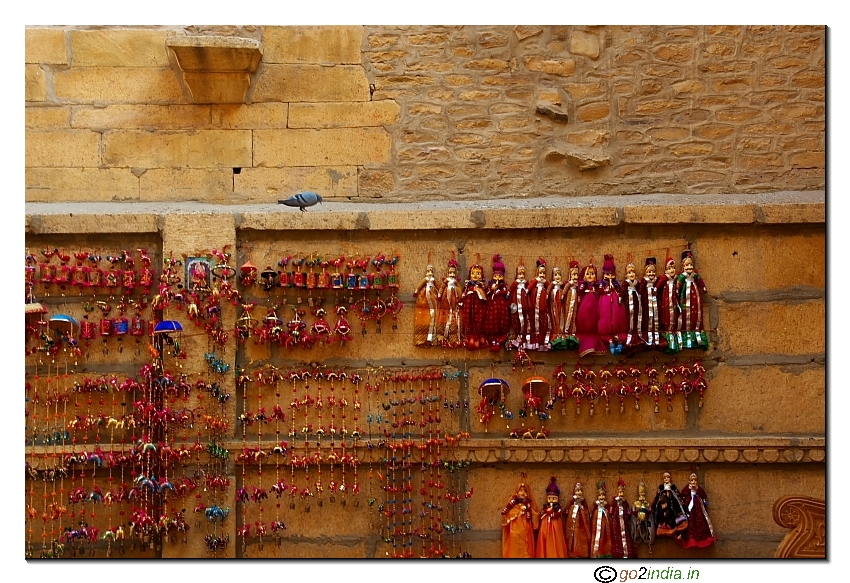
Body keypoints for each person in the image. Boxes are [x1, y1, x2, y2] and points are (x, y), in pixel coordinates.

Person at [675, 251, 709, 350]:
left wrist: (703, 287)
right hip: (685, 296)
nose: (689, 267)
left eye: (691, 265)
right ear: (683, 266)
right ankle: (686, 336)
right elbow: (678, 284)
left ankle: (697, 335)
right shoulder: (682, 276)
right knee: (685, 314)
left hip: (695, 294)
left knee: (697, 313)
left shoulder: (694, 275)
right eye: (687, 265)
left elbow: (700, 280)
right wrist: (677, 291)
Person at [501, 477, 540, 558]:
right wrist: (514, 513)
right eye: (521, 491)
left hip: (526, 528)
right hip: (515, 529)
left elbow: (534, 513)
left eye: (525, 491)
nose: (522, 493)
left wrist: (530, 515)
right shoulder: (514, 502)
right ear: (517, 492)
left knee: (525, 546)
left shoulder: (528, 504)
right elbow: (507, 511)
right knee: (514, 546)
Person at [597, 254, 627, 355]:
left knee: (617, 315)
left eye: (611, 274)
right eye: (608, 274)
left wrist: (616, 291)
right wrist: (606, 289)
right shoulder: (602, 283)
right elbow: (600, 290)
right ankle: (608, 338)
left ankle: (618, 339)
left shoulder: (615, 283)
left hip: (615, 301)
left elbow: (619, 290)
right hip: (605, 300)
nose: (610, 276)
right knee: (605, 315)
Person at [575, 264, 606, 357]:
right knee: (584, 319)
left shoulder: (596, 285)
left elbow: (601, 291)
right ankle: (585, 344)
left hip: (594, 304)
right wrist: (579, 300)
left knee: (593, 321)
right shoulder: (583, 285)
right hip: (585, 304)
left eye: (592, 274)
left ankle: (593, 344)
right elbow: (579, 294)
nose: (590, 276)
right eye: (587, 273)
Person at [678, 473, 717, 548]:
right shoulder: (687, 488)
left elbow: (704, 495)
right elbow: (683, 493)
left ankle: (700, 538)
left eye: (695, 480)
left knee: (699, 520)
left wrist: (697, 489)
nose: (693, 482)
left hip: (698, 507)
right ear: (689, 481)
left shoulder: (698, 488)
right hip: (689, 507)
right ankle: (689, 538)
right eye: (691, 480)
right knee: (689, 521)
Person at [484, 255, 511, 352]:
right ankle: (493, 341)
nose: (497, 278)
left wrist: (500, 292)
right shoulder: (491, 285)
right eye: (496, 276)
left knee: (502, 321)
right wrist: (492, 290)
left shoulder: (503, 286)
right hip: (492, 306)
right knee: (492, 320)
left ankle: (499, 340)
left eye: (499, 276)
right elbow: (487, 293)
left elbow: (507, 293)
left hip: (501, 306)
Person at [536, 477, 568, 558]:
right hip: (545, 524)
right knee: (544, 538)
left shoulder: (558, 507)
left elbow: (558, 513)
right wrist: (546, 511)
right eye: (549, 498)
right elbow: (542, 514)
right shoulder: (545, 506)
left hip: (555, 523)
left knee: (557, 539)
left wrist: (552, 513)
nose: (551, 500)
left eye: (554, 498)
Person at [651, 472, 688, 537]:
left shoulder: (673, 487)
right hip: (663, 506)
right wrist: (655, 506)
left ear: (670, 478)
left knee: (674, 515)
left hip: (672, 505)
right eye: (664, 478)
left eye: (667, 477)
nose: (666, 479)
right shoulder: (661, 488)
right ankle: (664, 529)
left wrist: (683, 505)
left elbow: (678, 496)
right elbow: (657, 498)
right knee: (663, 516)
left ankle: (675, 527)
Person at [609, 479, 638, 558]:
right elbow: (611, 511)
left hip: (624, 523)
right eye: (620, 492)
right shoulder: (615, 501)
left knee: (626, 536)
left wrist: (631, 513)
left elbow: (628, 511)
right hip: (617, 524)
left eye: (622, 492)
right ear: (617, 492)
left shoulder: (625, 502)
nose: (621, 494)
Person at [461, 263, 488, 350]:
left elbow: (485, 295)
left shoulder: (482, 286)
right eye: (473, 273)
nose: (475, 276)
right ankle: (469, 340)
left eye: (478, 273)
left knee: (479, 319)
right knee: (468, 318)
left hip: (479, 306)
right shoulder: (467, 285)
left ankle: (478, 340)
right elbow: (464, 293)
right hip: (469, 305)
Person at [657, 257, 681, 353]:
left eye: (673, 268)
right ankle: (668, 340)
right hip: (666, 303)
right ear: (666, 270)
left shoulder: (676, 279)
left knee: (674, 318)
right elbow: (658, 285)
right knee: (667, 319)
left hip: (674, 302)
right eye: (669, 268)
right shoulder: (665, 278)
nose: (672, 270)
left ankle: (674, 341)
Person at [639, 257, 664, 349]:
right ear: (645, 272)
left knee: (656, 318)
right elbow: (640, 290)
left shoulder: (657, 280)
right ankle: (648, 337)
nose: (651, 274)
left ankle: (657, 336)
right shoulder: (644, 280)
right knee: (647, 318)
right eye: (649, 272)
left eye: (653, 272)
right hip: (646, 302)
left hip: (656, 302)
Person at [437, 259, 462, 348]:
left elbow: (459, 288)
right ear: (447, 273)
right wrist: (439, 295)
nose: (452, 275)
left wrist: (461, 297)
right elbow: (442, 287)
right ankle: (442, 336)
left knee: (454, 312)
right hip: (446, 298)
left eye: (453, 273)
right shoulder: (446, 281)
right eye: (450, 273)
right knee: (446, 310)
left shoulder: (455, 282)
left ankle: (454, 337)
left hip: (454, 298)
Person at [621, 261, 645, 353]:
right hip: (628, 301)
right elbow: (623, 291)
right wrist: (620, 297)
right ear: (626, 274)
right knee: (629, 317)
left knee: (636, 316)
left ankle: (637, 335)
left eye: (633, 272)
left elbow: (640, 290)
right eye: (629, 272)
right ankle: (629, 336)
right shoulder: (626, 283)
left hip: (636, 300)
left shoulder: (636, 282)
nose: (632, 274)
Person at [526, 258, 549, 350]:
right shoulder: (536, 280)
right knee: (534, 315)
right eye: (540, 273)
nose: (542, 275)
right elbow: (530, 286)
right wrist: (527, 291)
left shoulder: (544, 282)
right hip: (535, 297)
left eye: (543, 273)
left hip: (543, 298)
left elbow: (549, 285)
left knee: (542, 313)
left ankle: (541, 340)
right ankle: (533, 340)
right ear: (537, 273)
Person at [413, 264, 439, 346]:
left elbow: (438, 286)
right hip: (424, 295)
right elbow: (420, 285)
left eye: (431, 271)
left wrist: (440, 293)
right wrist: (416, 291)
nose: (430, 273)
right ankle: (422, 338)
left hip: (432, 295)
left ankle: (432, 337)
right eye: (428, 271)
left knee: (433, 314)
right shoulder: (426, 279)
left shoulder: (433, 280)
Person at [565, 481, 592, 558]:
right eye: (577, 490)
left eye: (580, 490)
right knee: (573, 535)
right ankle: (573, 552)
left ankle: (582, 552)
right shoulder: (572, 500)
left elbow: (586, 506)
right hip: (573, 519)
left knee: (582, 535)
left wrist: (587, 513)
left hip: (582, 519)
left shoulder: (583, 501)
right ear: (574, 492)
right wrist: (568, 510)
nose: (579, 492)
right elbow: (567, 506)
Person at [630, 480, 656, 553]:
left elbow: (650, 514)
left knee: (649, 527)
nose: (642, 497)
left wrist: (646, 514)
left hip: (645, 523)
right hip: (638, 523)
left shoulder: (647, 504)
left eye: (643, 495)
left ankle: (649, 541)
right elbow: (633, 513)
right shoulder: (636, 504)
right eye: (640, 495)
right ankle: (636, 540)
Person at [591, 480, 613, 558]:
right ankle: (597, 553)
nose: (601, 497)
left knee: (606, 536)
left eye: (603, 495)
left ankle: (607, 553)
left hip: (605, 524)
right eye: (600, 495)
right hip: (597, 522)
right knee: (597, 536)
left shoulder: (607, 507)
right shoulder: (595, 508)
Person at [509, 264, 529, 349]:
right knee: (515, 315)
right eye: (520, 274)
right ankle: (517, 335)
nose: (521, 276)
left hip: (524, 301)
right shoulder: (515, 283)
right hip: (515, 301)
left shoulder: (526, 283)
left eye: (523, 274)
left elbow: (529, 289)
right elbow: (510, 289)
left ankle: (523, 336)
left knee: (525, 315)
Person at [547, 267, 568, 350]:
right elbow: (548, 288)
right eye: (556, 275)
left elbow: (566, 286)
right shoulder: (553, 283)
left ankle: (561, 333)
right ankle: (556, 333)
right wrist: (547, 294)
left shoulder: (561, 284)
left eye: (559, 274)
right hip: (554, 298)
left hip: (560, 299)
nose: (558, 277)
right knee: (554, 314)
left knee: (561, 314)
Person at [562, 261, 581, 350]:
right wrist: (562, 295)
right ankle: (566, 331)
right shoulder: (569, 283)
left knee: (574, 315)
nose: (576, 277)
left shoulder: (578, 284)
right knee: (568, 313)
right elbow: (565, 288)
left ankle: (573, 331)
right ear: (570, 275)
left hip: (576, 301)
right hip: (569, 299)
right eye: (574, 275)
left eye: (577, 275)